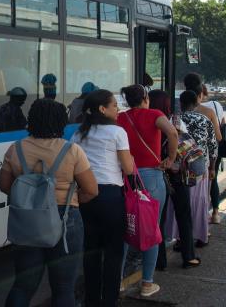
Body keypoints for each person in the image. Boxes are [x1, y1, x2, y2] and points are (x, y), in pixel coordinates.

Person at [0, 99, 98, 307]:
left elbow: (6, 186)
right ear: (61, 121)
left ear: (31, 119)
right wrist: (70, 201)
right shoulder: (72, 150)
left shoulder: (15, 149)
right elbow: (91, 190)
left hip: (27, 219)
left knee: (23, 285)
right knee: (63, 287)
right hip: (65, 219)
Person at [70, 89, 135, 307]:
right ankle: (109, 300)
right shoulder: (117, 133)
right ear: (102, 109)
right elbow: (128, 168)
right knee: (113, 252)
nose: (118, 109)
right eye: (114, 105)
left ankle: (91, 301)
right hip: (110, 196)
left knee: (91, 251)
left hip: (85, 196)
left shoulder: (78, 134)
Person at [117, 85, 178, 298]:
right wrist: (170, 159)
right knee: (151, 230)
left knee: (126, 229)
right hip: (152, 177)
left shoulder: (121, 118)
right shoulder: (155, 114)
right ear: (145, 98)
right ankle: (147, 283)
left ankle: (118, 282)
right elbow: (171, 132)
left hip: (128, 177)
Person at [150, 89, 200, 270]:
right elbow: (186, 146)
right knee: (183, 216)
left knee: (158, 220)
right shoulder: (175, 121)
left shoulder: (145, 120)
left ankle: (159, 261)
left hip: (154, 173)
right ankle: (188, 257)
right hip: (176, 173)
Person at [175, 90, 216, 248]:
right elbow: (213, 147)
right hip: (200, 167)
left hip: (179, 168)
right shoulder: (204, 120)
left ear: (181, 103)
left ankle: (180, 239)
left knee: (181, 204)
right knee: (200, 202)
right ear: (196, 103)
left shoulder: (175, 120)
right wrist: (212, 167)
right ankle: (201, 236)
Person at [200, 84, 226, 224]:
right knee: (213, 179)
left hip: (195, 151)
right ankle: (216, 213)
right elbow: (222, 126)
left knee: (198, 184)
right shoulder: (216, 105)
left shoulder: (190, 106)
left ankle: (201, 214)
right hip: (215, 149)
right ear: (205, 93)